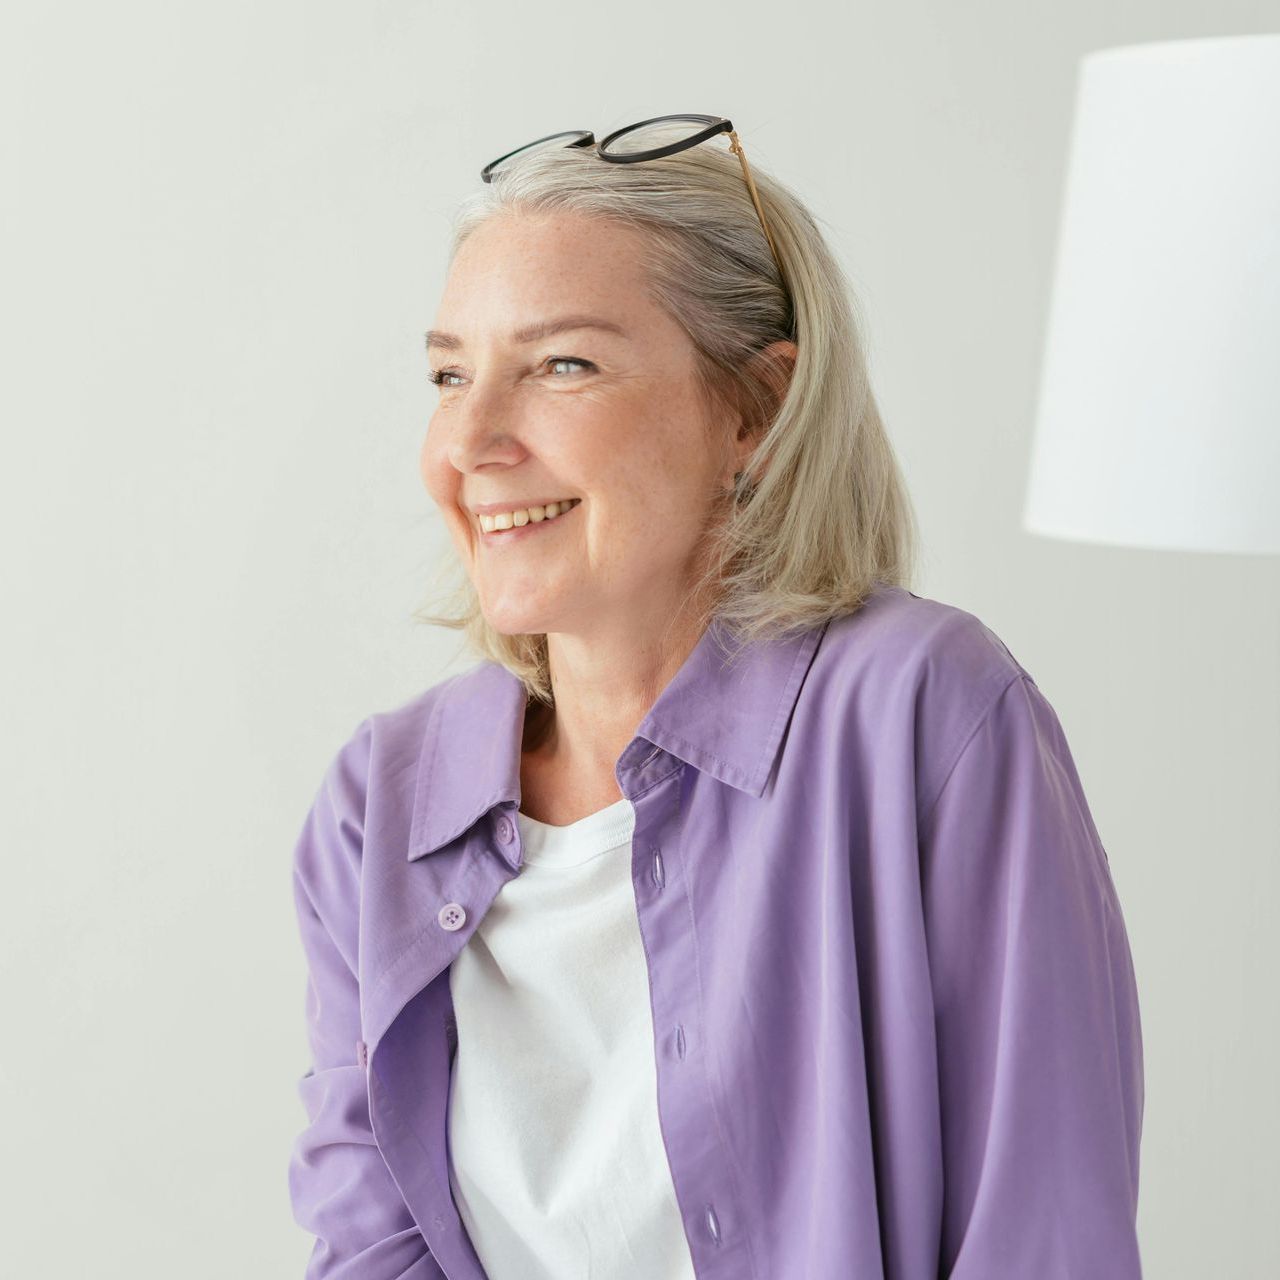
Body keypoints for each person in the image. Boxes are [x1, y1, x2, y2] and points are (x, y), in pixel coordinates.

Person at [287, 117, 1145, 1280]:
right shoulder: (379, 803)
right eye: (450, 373)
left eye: (561, 364)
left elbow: (1040, 1234)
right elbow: (369, 1244)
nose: (471, 440)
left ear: (751, 410)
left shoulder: (921, 714)